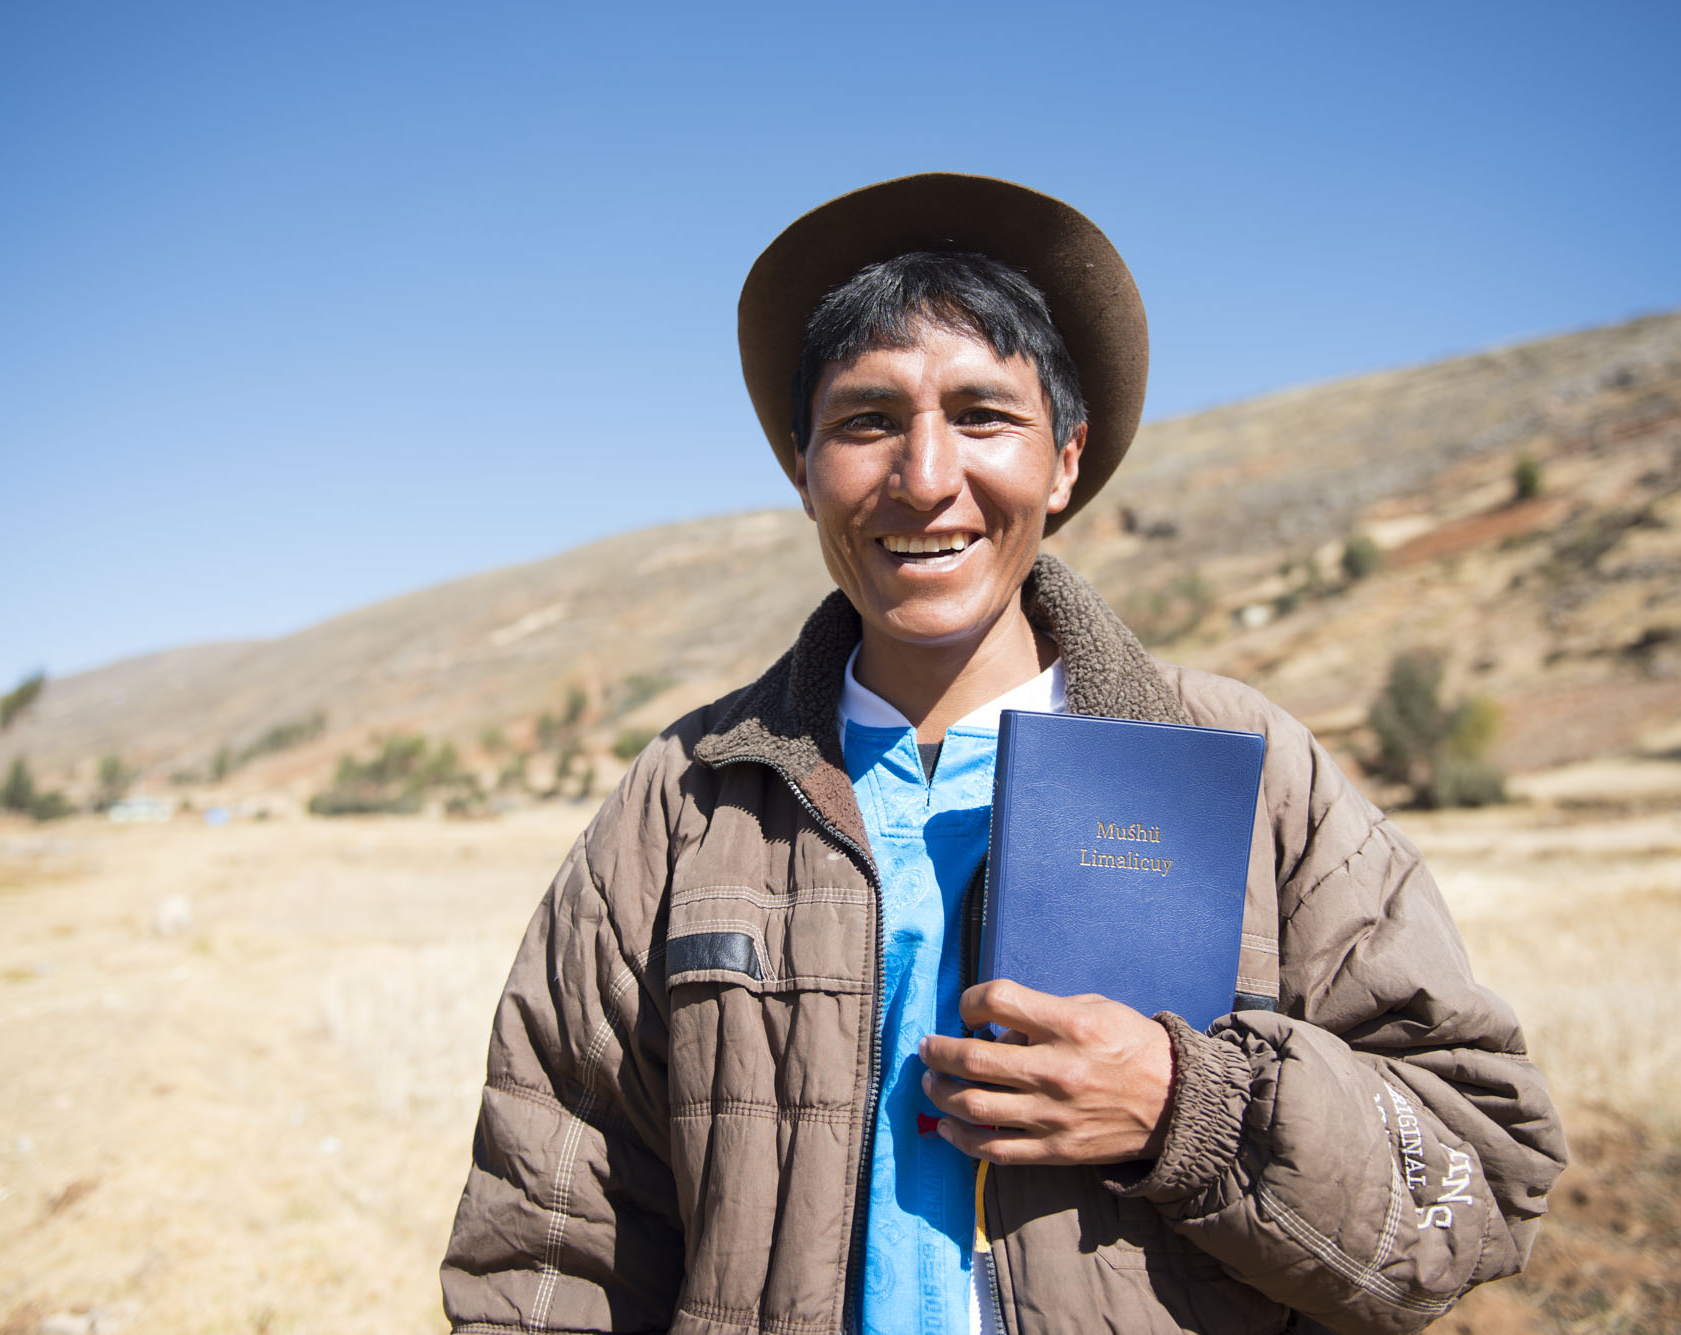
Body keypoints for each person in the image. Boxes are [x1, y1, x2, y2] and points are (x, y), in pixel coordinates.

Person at [440, 173, 1565, 1335]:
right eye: (866, 421)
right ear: (803, 465)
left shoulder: (1245, 768)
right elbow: (547, 1241)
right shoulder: (684, 802)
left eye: (983, 417)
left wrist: (1195, 1109)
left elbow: (1480, 1175)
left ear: (1066, 460)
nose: (925, 478)